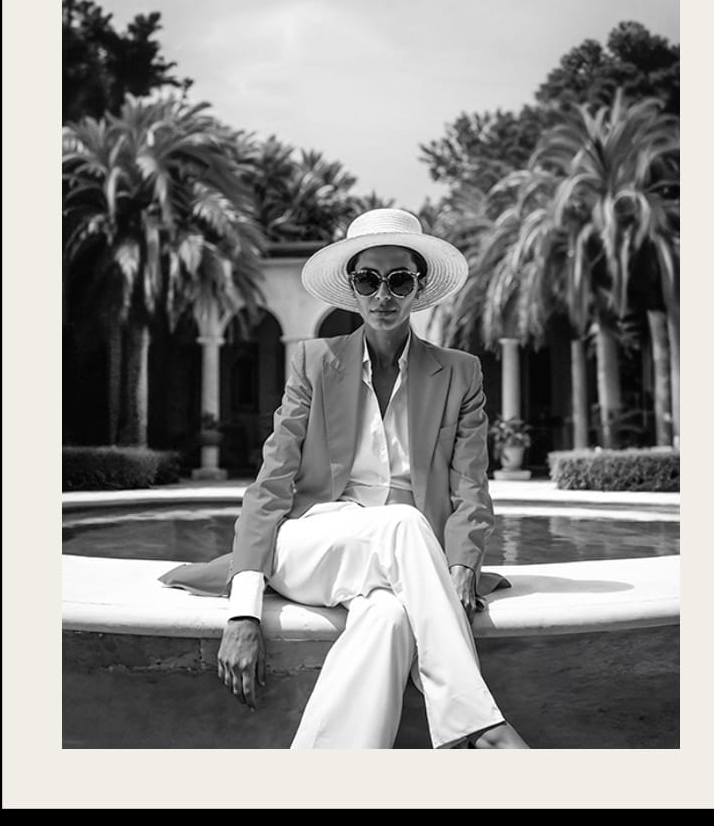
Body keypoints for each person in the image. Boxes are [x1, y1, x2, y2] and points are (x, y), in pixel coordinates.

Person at [159, 208, 529, 750]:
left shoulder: (461, 372)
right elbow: (271, 485)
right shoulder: (314, 362)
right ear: (352, 288)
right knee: (401, 523)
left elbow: (471, 488)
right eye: (368, 280)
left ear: (418, 288)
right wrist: (244, 610)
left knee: (386, 619)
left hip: (403, 560)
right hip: (312, 545)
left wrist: (461, 565)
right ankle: (476, 729)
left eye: (399, 279)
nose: (384, 294)